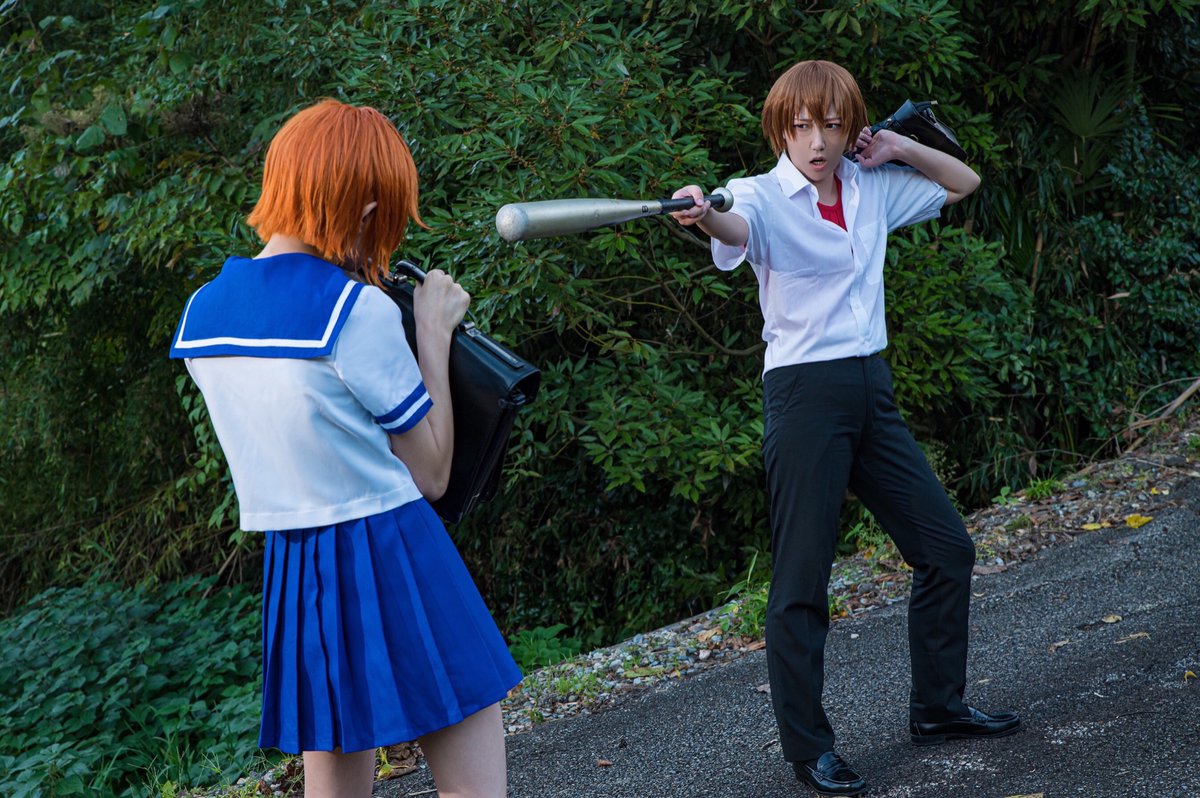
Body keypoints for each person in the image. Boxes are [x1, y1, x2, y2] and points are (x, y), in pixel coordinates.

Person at [670, 60, 1021, 796]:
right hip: (804, 397)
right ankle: (809, 749)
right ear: (781, 130)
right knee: (802, 579)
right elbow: (735, 227)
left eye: (832, 126)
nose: (817, 142)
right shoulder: (759, 195)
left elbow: (964, 183)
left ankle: (938, 708)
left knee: (946, 548)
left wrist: (898, 146)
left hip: (871, 391)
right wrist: (703, 213)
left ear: (851, 127)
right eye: (801, 127)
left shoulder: (870, 187)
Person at [169, 99, 520, 798]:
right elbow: (431, 473)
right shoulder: (353, 310)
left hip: (297, 563)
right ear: (365, 212)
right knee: (472, 778)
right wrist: (433, 333)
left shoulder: (202, 315)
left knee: (335, 779)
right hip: (394, 546)